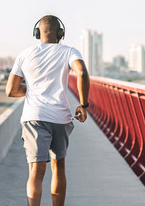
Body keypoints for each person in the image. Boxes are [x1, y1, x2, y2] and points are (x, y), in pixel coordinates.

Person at [6, 15, 90, 206]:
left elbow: (10, 90)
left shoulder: (25, 54)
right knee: (58, 166)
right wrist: (83, 105)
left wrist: (32, 89)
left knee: (36, 171)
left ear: (37, 33)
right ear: (61, 33)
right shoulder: (69, 51)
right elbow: (82, 73)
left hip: (33, 117)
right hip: (60, 117)